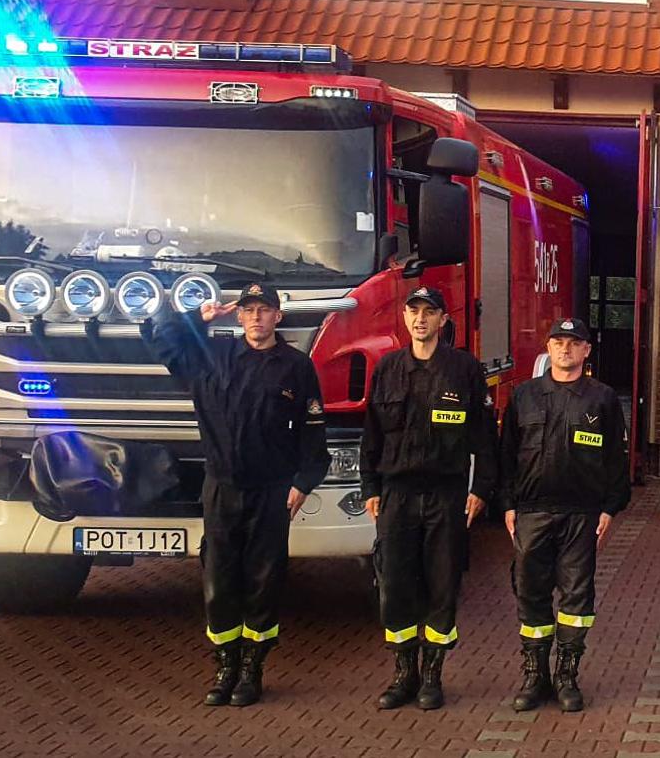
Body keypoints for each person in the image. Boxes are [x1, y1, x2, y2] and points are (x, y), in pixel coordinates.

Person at [147, 282, 330, 707]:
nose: (256, 318)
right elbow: (157, 338)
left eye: (264, 310)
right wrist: (199, 318)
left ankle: (253, 669)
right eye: (248, 310)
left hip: (271, 490)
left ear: (277, 317)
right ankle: (225, 665)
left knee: (264, 581)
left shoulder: (296, 367)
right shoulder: (212, 357)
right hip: (222, 487)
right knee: (220, 580)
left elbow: (313, 430)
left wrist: (304, 481)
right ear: (239, 315)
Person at [359, 285, 498, 710]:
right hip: (397, 494)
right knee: (396, 586)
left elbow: (485, 437)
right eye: (414, 311)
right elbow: (372, 436)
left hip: (446, 494)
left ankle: (433, 676)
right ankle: (404, 675)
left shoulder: (464, 370)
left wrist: (480, 489)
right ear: (405, 318)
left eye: (429, 312)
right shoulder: (387, 369)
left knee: (442, 583)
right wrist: (370, 487)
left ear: (442, 320)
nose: (421, 319)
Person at [498, 318, 630, 713]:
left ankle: (567, 676)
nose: (566, 350)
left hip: (582, 514)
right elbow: (506, 456)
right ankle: (535, 676)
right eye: (558, 342)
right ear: (549, 347)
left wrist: (610, 507)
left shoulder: (602, 399)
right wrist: (506, 505)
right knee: (531, 595)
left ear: (586, 350)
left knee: (576, 597)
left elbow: (615, 461)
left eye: (574, 343)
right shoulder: (524, 396)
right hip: (532, 513)